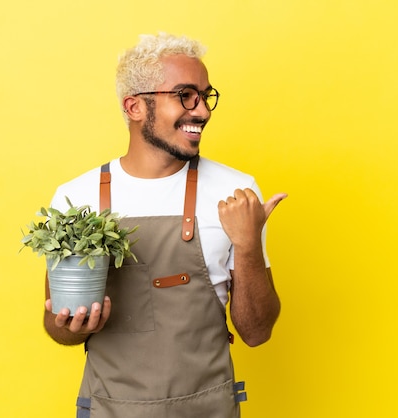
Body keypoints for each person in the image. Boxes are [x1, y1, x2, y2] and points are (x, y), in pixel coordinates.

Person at [43, 32, 286, 418]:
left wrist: (248, 243)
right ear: (135, 106)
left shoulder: (236, 193)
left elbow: (257, 333)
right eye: (185, 95)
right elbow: (55, 327)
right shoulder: (78, 198)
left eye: (206, 96)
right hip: (109, 409)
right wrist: (73, 325)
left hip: (210, 409)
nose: (203, 111)